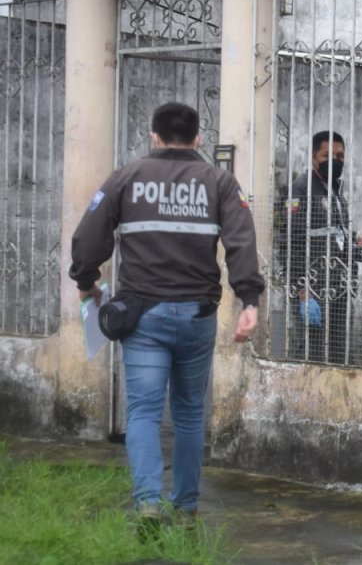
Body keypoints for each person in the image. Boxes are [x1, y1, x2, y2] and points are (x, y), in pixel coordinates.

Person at [69, 102, 264, 533]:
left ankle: (148, 505)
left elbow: (87, 240)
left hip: (142, 316)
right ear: (197, 139)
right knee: (190, 414)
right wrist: (248, 301)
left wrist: (86, 282)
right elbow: (241, 241)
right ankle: (187, 508)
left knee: (142, 411)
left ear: (153, 136)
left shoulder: (126, 178)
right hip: (197, 316)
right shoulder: (220, 182)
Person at [277, 130, 362, 365]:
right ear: (314, 158)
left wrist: (354, 244)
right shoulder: (301, 189)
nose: (335, 161)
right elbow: (288, 242)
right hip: (313, 289)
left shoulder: (336, 190)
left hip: (338, 286)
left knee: (338, 354)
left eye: (340, 156)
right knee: (310, 355)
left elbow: (335, 233)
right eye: (328, 155)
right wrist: (302, 291)